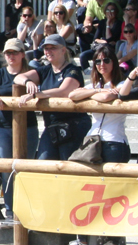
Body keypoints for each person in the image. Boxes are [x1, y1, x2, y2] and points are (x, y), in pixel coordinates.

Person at [64, 46, 130, 245]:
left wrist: (95, 94)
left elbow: (107, 99)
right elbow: (73, 94)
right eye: (98, 61)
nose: (102, 65)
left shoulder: (122, 83)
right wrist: (97, 90)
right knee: (87, 190)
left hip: (114, 141)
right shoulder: (95, 84)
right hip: (93, 141)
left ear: (114, 62)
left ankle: (114, 241)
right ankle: (82, 240)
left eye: (106, 60)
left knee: (113, 193)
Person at [0, 38, 37, 222]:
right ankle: (10, 210)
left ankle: (28, 209)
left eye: (14, 52)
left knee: (26, 167)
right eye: (8, 53)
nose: (11, 56)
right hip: (3, 127)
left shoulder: (32, 73)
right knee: (6, 169)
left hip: (27, 126)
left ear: (22, 54)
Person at [16, 34, 92, 162]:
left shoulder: (73, 70)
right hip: (51, 126)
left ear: (63, 50)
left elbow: (64, 91)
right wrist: (28, 82)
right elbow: (18, 78)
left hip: (73, 126)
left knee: (68, 165)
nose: (48, 51)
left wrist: (36, 94)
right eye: (46, 48)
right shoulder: (45, 70)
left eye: (53, 48)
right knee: (43, 164)